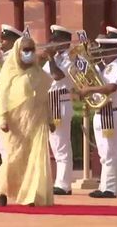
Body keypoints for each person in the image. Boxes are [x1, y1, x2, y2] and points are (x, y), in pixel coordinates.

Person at [0, 36, 55, 207]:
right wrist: (2, 119)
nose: (29, 53)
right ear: (18, 51)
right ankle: (3, 189)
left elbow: (45, 98)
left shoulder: (39, 73)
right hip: (16, 123)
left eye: (31, 50)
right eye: (25, 50)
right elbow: (2, 97)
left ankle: (31, 195)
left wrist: (50, 119)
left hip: (37, 120)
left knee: (36, 159)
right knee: (14, 158)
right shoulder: (9, 71)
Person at [78, 26, 117, 198]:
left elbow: (111, 87)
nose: (100, 51)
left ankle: (110, 189)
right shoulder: (104, 66)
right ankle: (110, 185)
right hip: (102, 111)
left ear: (114, 48)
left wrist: (89, 89)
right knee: (106, 151)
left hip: (111, 110)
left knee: (110, 151)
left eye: (104, 47)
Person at [0, 24, 23, 194]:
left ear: (14, 41)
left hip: (8, 106)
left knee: (10, 146)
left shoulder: (15, 57)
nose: (2, 43)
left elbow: (2, 75)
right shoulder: (2, 57)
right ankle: (5, 181)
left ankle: (14, 181)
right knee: (2, 147)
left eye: (5, 40)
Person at [42, 25, 74, 195]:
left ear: (65, 42)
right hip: (49, 103)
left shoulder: (71, 58)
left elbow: (58, 76)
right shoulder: (52, 59)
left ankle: (64, 184)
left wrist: (49, 57)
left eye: (56, 41)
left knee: (61, 145)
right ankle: (58, 181)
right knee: (55, 146)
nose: (52, 44)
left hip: (60, 102)